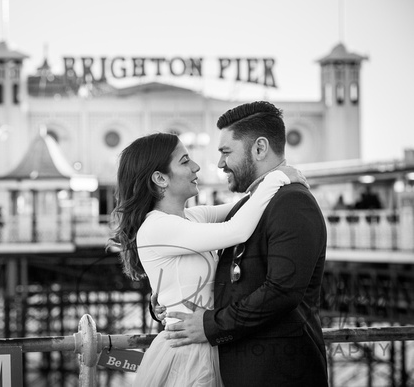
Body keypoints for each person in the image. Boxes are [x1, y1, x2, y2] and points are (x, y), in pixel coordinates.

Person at [108, 132, 305, 386]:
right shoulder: (156, 227)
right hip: (186, 354)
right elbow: (237, 230)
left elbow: (247, 206)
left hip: (211, 342)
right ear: (160, 178)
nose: (196, 167)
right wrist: (279, 176)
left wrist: (273, 177)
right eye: (185, 161)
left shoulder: (192, 217)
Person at [163, 101, 329, 386]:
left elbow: (282, 291)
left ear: (260, 148)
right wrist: (169, 300)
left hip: (280, 374)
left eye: (226, 151)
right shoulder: (251, 205)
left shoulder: (292, 202)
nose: (219, 163)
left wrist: (211, 325)